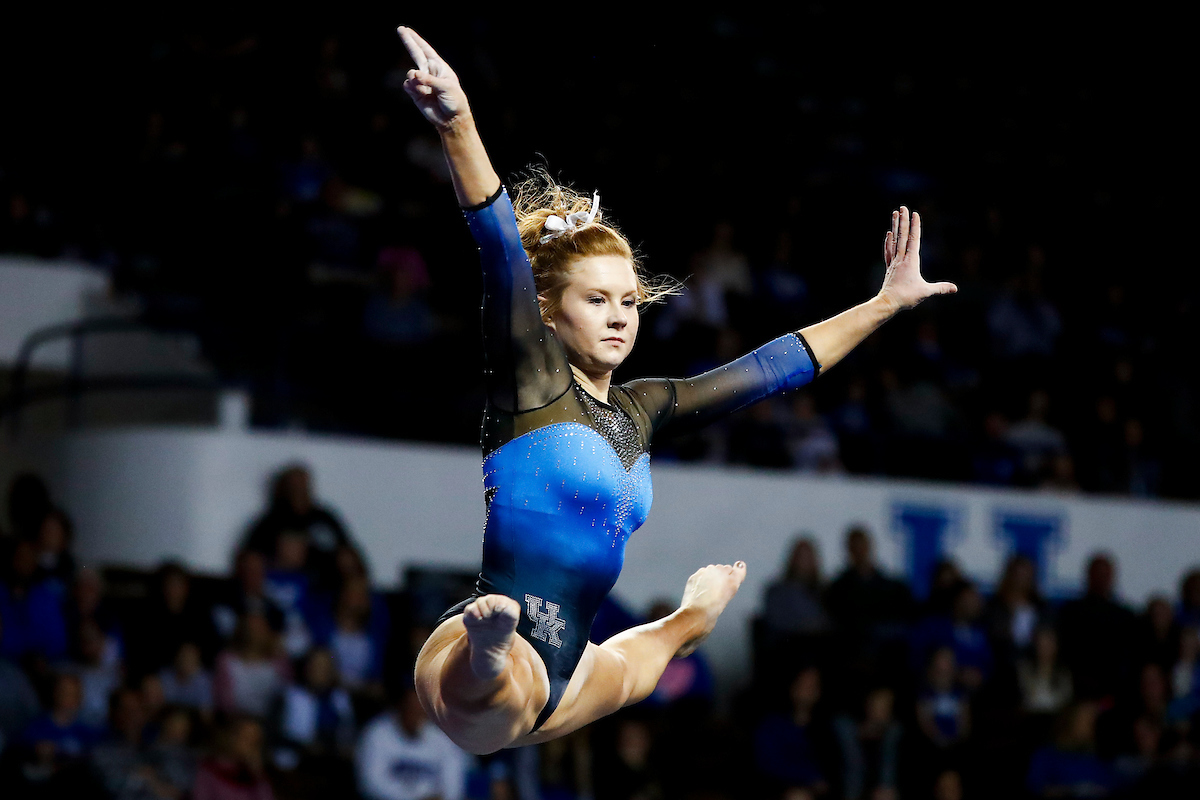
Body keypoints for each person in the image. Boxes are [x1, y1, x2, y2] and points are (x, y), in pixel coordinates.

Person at [396, 26, 955, 754]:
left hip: (575, 671)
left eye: (628, 302)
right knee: (492, 706)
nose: (619, 317)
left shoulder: (643, 408)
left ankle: (691, 618)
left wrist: (884, 304)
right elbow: (501, 245)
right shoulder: (531, 380)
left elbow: (776, 368)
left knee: (650, 657)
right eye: (596, 301)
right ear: (548, 314)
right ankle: (489, 653)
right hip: (489, 658)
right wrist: (460, 122)